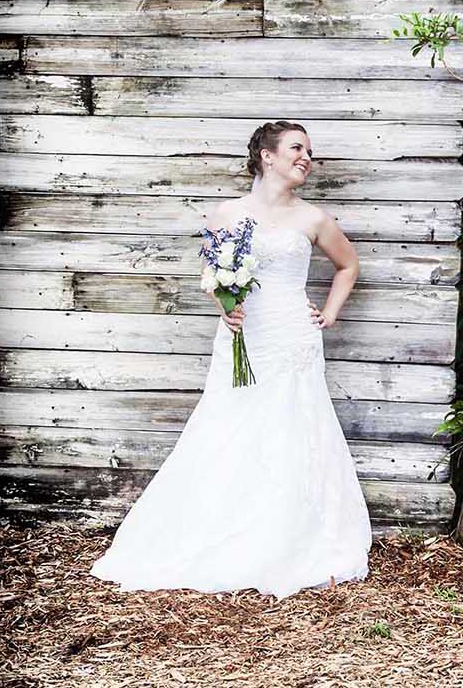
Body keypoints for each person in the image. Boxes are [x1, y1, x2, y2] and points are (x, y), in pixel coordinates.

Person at [91, 121, 372, 599]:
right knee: (227, 425)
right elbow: (214, 274)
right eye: (296, 148)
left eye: (309, 150)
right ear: (267, 155)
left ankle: (285, 537)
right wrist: (226, 304)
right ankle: (217, 528)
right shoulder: (227, 213)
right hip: (243, 337)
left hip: (291, 339)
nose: (306, 157)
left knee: (291, 429)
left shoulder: (314, 219)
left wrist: (328, 312)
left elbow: (348, 265)